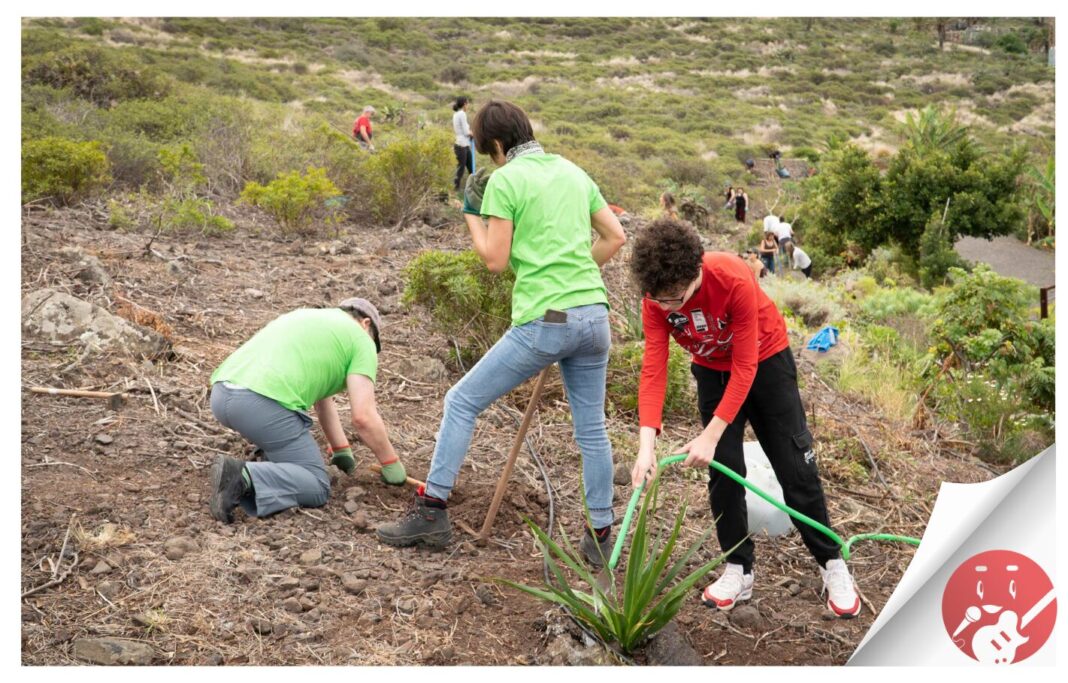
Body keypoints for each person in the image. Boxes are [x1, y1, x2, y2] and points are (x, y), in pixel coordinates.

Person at [377, 100, 627, 565]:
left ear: (494, 143)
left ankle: (432, 511)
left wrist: (471, 215)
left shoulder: (505, 180)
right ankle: (599, 535)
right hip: (594, 315)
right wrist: (573, 282)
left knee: (461, 401)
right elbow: (615, 237)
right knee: (591, 431)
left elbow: (493, 259)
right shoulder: (574, 172)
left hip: (549, 319)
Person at [628, 218, 861, 619]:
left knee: (795, 467)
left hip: (765, 362)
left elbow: (746, 367)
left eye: (674, 298)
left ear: (695, 271)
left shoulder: (731, 276)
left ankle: (832, 564)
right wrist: (645, 447)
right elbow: (654, 368)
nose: (668, 307)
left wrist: (710, 434)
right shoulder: (656, 298)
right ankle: (738, 568)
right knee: (723, 471)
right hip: (712, 370)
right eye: (659, 300)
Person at [208, 299, 407, 524]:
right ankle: (242, 476)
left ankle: (270, 457)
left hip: (222, 393)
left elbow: (322, 400)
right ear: (365, 323)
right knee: (316, 484)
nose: (373, 350)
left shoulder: (310, 317)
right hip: (259, 405)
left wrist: (341, 449)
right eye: (374, 342)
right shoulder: (361, 339)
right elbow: (364, 417)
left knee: (286, 441)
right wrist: (390, 463)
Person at [452, 96, 473, 192]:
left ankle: (473, 187)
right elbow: (466, 131)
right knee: (461, 167)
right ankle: (455, 189)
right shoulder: (462, 114)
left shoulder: (456, 114)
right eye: (467, 103)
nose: (468, 105)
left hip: (464, 144)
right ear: (464, 104)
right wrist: (472, 133)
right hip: (461, 145)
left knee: (471, 166)